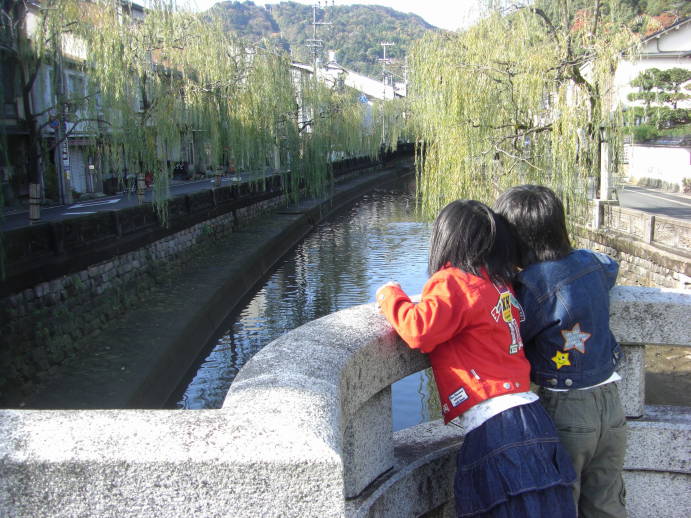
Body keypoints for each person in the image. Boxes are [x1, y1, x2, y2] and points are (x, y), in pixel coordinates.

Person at [376, 199, 577, 518]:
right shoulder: (500, 282)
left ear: (445, 240)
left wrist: (390, 295)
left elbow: (419, 330)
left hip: (495, 423)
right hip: (531, 415)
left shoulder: (454, 281)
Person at [494, 185, 627, 518]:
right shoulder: (589, 263)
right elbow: (611, 264)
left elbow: (513, 335)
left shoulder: (533, 285)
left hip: (567, 409)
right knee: (606, 503)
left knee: (559, 503)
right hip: (611, 406)